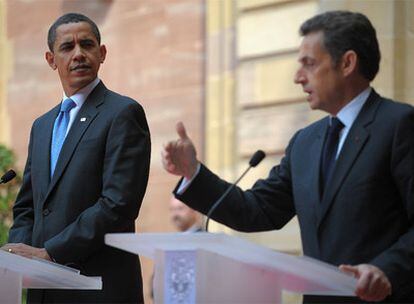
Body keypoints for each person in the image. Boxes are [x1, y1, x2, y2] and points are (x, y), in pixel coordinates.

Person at [162, 10, 414, 303]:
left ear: (347, 63)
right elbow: (256, 210)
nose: (297, 77)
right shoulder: (305, 142)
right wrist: (193, 173)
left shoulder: (399, 125)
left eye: (309, 64)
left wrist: (386, 269)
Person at [2, 13, 151, 303]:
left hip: (99, 288)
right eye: (67, 47)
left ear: (102, 52)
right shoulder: (42, 126)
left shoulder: (122, 113)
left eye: (87, 44)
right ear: (50, 59)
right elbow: (27, 206)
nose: (79, 54)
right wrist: (16, 254)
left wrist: (51, 252)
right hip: (44, 290)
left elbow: (118, 204)